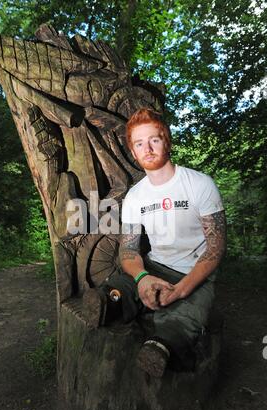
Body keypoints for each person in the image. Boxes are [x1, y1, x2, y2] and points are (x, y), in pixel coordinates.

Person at [82, 107, 226, 378]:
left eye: (154, 140)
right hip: (155, 266)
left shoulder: (200, 184)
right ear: (133, 152)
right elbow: (128, 249)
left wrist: (182, 290)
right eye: (139, 144)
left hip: (194, 275)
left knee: (188, 316)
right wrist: (142, 278)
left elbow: (216, 248)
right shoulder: (135, 197)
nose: (147, 148)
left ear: (166, 141)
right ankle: (107, 303)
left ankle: (160, 347)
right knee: (120, 286)